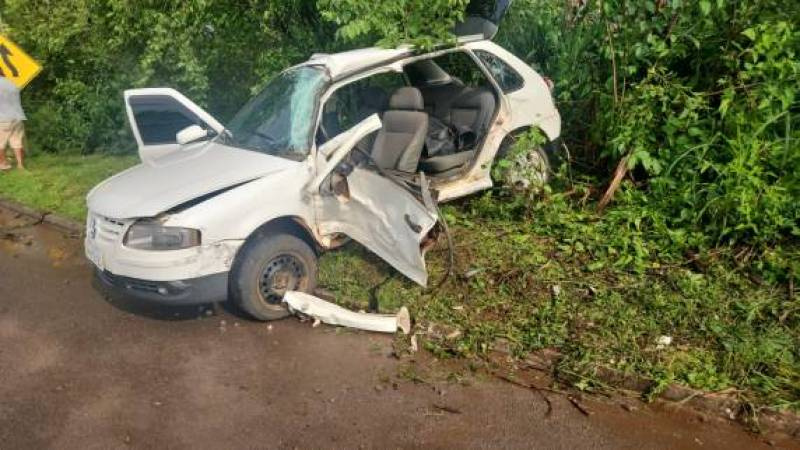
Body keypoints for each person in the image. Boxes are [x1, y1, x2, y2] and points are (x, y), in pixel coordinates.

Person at [0, 77, 26, 170]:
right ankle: (20, 165)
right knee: (17, 142)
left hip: (2, 118)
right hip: (17, 116)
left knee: (0, 143)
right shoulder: (12, 83)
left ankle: (3, 164)